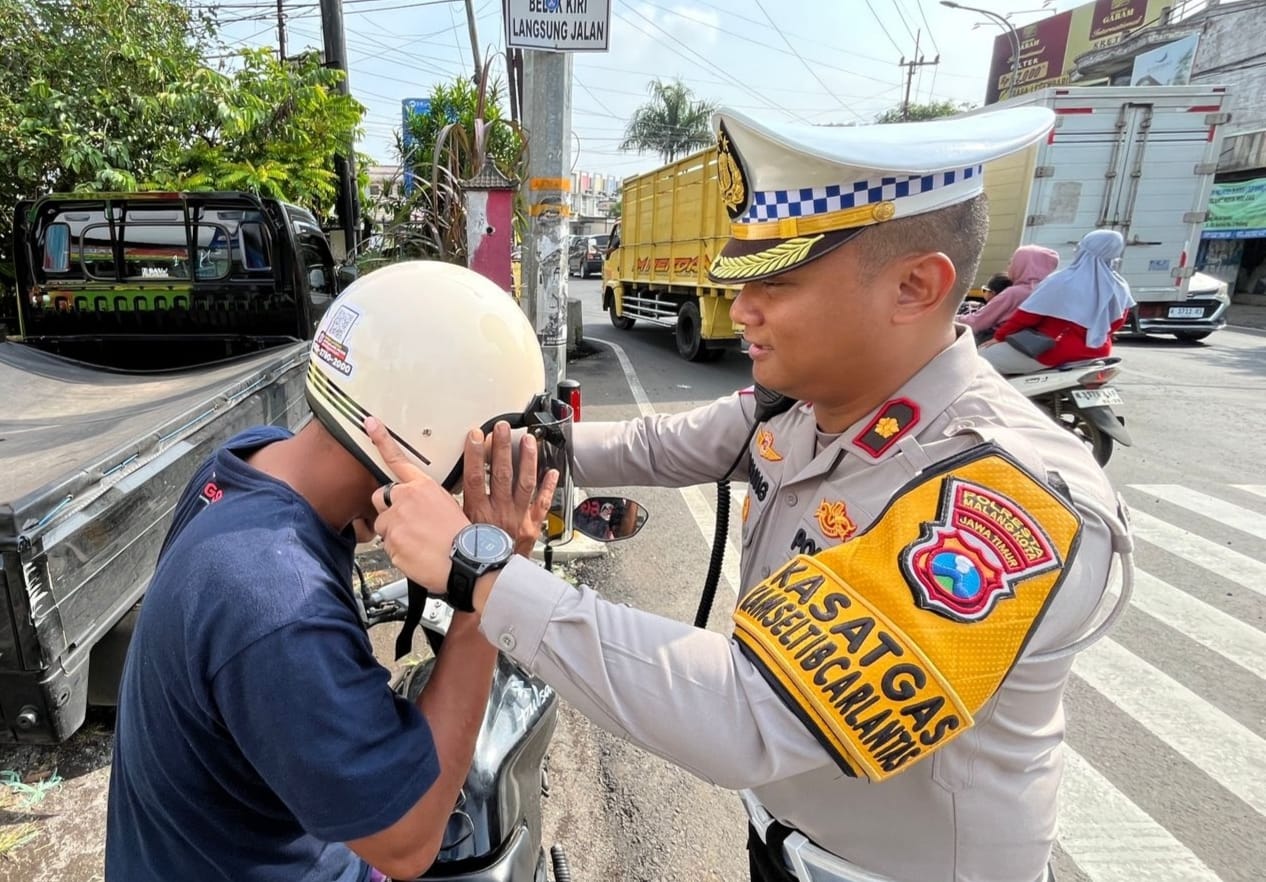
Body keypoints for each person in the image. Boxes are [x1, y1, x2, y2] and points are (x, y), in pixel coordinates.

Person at [367, 107, 1134, 882]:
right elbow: (652, 446)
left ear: (914, 287)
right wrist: (471, 456)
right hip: (781, 840)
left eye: (778, 282)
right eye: (740, 282)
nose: (741, 310)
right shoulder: (806, 402)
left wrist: (479, 571)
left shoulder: (1006, 498)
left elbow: (752, 711)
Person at [105, 261, 560, 882]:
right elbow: (408, 842)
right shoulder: (278, 602)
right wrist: (486, 586)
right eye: (480, 459)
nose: (472, 488)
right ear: (434, 432)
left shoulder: (249, 460)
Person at [981, 230, 1135, 376]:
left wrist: (999, 337)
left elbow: (1026, 316)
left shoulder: (1063, 280)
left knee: (976, 359)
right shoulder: (1120, 286)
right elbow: (1116, 323)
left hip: (1049, 351)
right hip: (1098, 352)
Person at [960, 244, 1060, 340]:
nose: (1009, 267)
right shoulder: (1047, 292)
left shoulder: (1014, 293)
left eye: (1012, 263)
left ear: (1023, 265)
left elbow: (976, 323)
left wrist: (952, 318)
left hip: (997, 340)